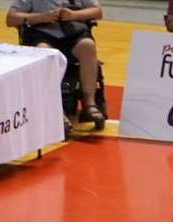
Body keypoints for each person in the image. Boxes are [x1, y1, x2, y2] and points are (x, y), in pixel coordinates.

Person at [8, 0, 106, 131]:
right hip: (43, 35)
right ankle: (56, 110)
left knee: (88, 46)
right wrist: (42, 17)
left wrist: (74, 15)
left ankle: (90, 104)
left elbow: (97, 11)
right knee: (47, 53)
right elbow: (11, 18)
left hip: (73, 34)